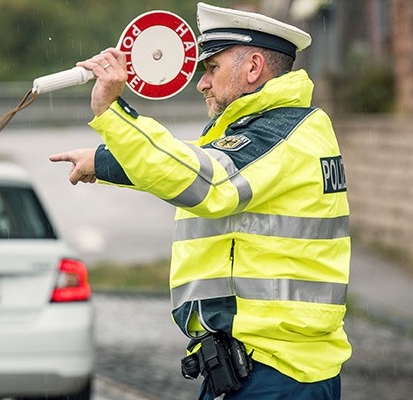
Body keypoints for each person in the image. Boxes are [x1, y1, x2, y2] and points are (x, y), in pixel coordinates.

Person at [49, 3, 351, 399]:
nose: (202, 84)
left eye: (211, 69)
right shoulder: (276, 130)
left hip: (279, 374)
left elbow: (206, 181)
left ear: (253, 67)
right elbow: (202, 164)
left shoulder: (282, 133)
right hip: (263, 367)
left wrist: (113, 112)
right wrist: (103, 161)